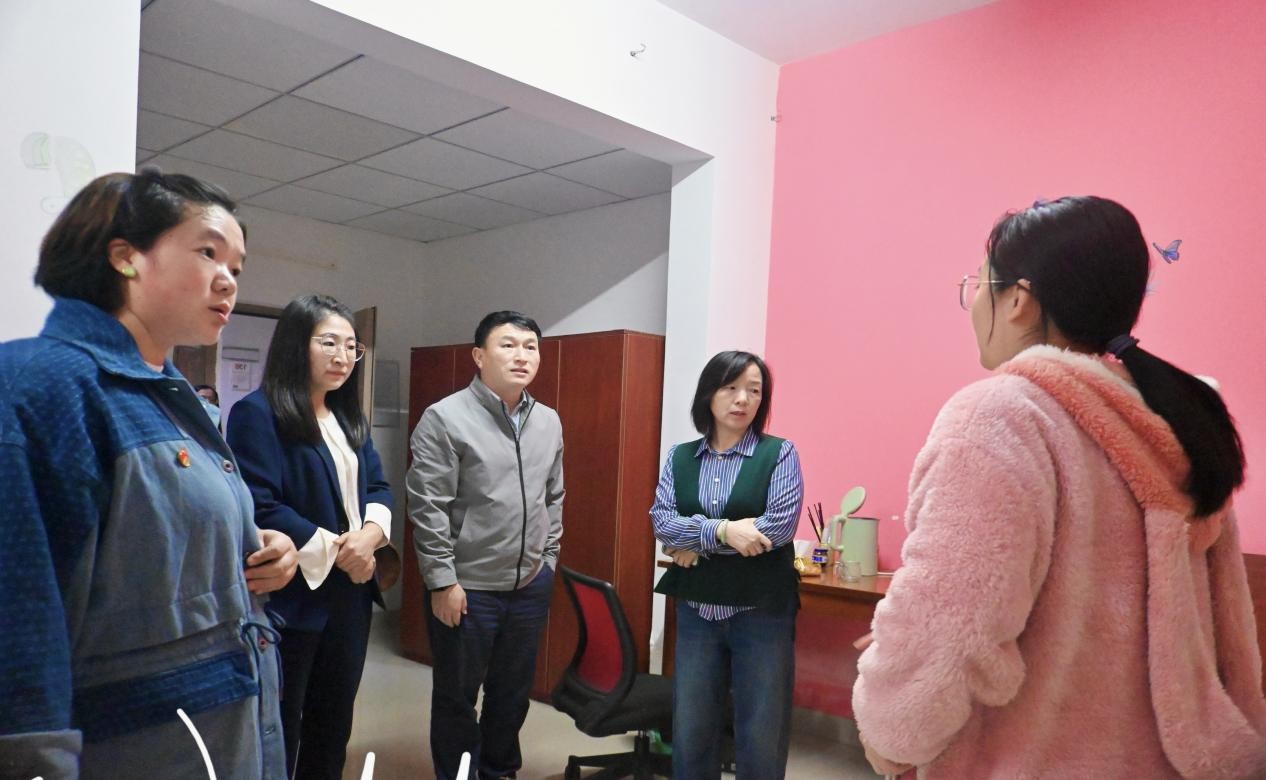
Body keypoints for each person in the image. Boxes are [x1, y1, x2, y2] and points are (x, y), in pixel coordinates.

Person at [853, 196, 1266, 778]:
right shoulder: (1177, 423)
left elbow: (948, 630)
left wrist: (891, 732)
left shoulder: (1001, 415)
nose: (973, 304)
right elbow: (1228, 632)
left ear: (1018, 299)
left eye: (978, 285)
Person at [0, 170, 297, 779]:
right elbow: (19, 622)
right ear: (126, 258)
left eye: (237, 267)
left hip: (219, 733)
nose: (228, 280)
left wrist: (261, 550)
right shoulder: (40, 386)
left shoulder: (174, 398)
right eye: (208, 252)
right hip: (137, 748)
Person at [225, 293, 395, 780]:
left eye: (351, 346)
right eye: (329, 343)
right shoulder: (258, 413)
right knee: (282, 723)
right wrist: (341, 550)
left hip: (352, 592)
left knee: (334, 722)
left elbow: (378, 487)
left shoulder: (347, 416)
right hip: (295, 593)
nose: (343, 356)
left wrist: (370, 537)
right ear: (297, 344)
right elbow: (259, 502)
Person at [406, 310, 564, 780]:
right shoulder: (446, 417)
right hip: (467, 587)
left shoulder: (548, 421)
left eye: (530, 347)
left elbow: (553, 496)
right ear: (479, 356)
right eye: (508, 345)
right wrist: (442, 581)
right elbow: (428, 507)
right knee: (457, 698)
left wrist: (548, 560)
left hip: (529, 585)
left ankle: (499, 771)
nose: (522, 355)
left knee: (512, 695)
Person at [651, 350, 805, 780]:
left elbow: (776, 527)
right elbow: (662, 521)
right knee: (693, 727)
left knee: (761, 729)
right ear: (709, 393)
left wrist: (694, 541)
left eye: (754, 391)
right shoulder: (680, 457)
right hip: (698, 610)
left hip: (762, 611)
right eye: (731, 387)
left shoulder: (780, 454)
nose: (743, 399)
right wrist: (721, 531)